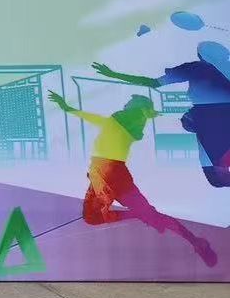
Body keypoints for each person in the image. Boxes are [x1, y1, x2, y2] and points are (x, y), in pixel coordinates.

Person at [50, 91, 218, 265]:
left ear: (136, 108)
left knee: (96, 217)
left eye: (130, 103)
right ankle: (192, 239)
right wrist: (68, 108)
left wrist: (69, 108)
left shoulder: (122, 119)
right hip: (108, 172)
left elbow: (101, 119)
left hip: (107, 172)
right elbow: (97, 119)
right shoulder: (121, 123)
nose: (125, 105)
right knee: (138, 215)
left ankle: (183, 235)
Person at [93, 44, 230, 186]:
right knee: (217, 174)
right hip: (210, 118)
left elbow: (153, 83)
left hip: (208, 119)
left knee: (216, 176)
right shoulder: (208, 68)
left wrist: (113, 74)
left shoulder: (197, 68)